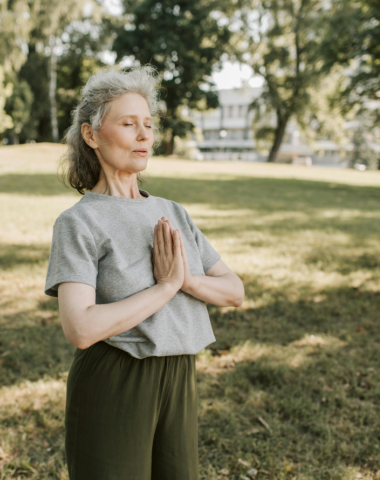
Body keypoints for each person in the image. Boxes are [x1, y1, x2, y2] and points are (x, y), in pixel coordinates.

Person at [44, 65, 244, 480]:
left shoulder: (172, 212)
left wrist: (187, 280)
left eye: (148, 124)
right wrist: (168, 286)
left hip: (179, 375)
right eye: (128, 123)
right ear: (92, 135)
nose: (144, 135)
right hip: (116, 378)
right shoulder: (79, 223)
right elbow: (80, 328)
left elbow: (234, 291)